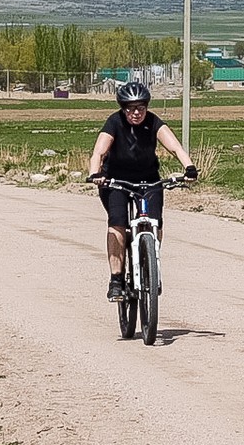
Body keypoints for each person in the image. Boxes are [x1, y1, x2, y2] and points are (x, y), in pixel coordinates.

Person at [85, 81, 199, 300]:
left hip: (148, 180)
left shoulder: (154, 122)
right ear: (123, 108)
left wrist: (189, 168)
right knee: (117, 223)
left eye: (140, 107)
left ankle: (150, 262)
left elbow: (175, 147)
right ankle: (116, 279)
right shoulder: (114, 122)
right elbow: (98, 153)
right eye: (130, 108)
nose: (136, 112)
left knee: (155, 222)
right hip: (115, 181)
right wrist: (96, 173)